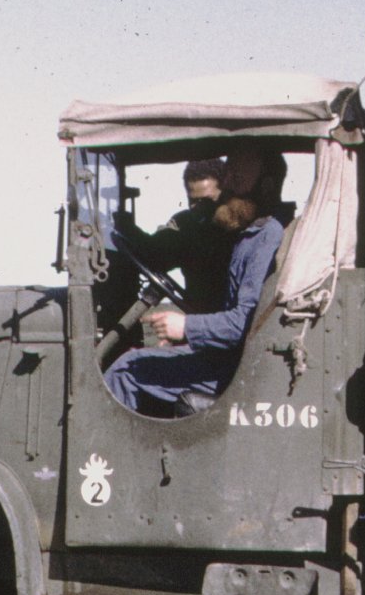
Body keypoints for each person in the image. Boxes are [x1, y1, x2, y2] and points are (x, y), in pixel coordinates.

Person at [104, 147, 288, 414]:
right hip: (226, 355)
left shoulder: (265, 236)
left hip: (234, 366)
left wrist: (186, 327)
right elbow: (160, 250)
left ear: (266, 185)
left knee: (125, 371)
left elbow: (246, 322)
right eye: (228, 174)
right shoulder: (247, 233)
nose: (227, 184)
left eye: (237, 177)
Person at [117, 157, 238, 312]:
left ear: (225, 194)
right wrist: (128, 228)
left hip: (228, 318)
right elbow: (155, 253)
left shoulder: (240, 230)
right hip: (199, 317)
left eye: (207, 201)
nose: (197, 209)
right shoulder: (186, 225)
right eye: (192, 201)